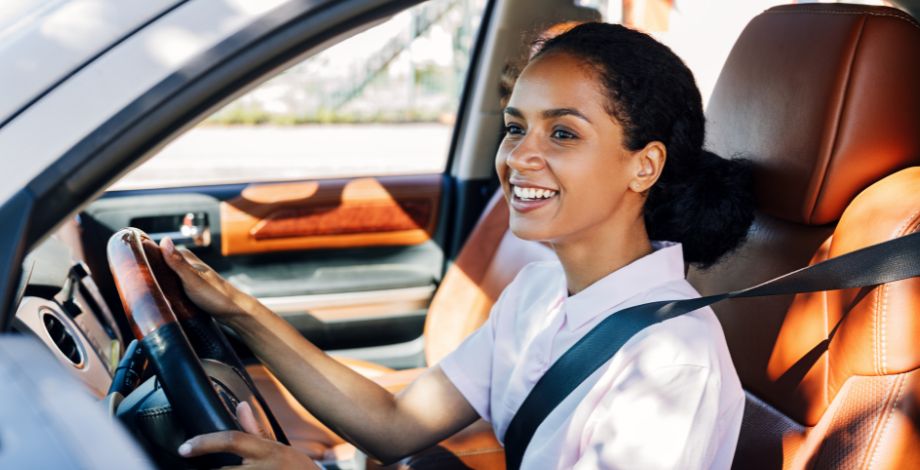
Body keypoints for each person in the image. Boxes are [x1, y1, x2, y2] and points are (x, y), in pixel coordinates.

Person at [163, 22, 753, 469]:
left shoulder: (671, 359)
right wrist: (236, 309)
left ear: (644, 166)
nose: (519, 155)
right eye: (516, 127)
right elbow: (395, 422)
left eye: (564, 133)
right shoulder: (540, 289)